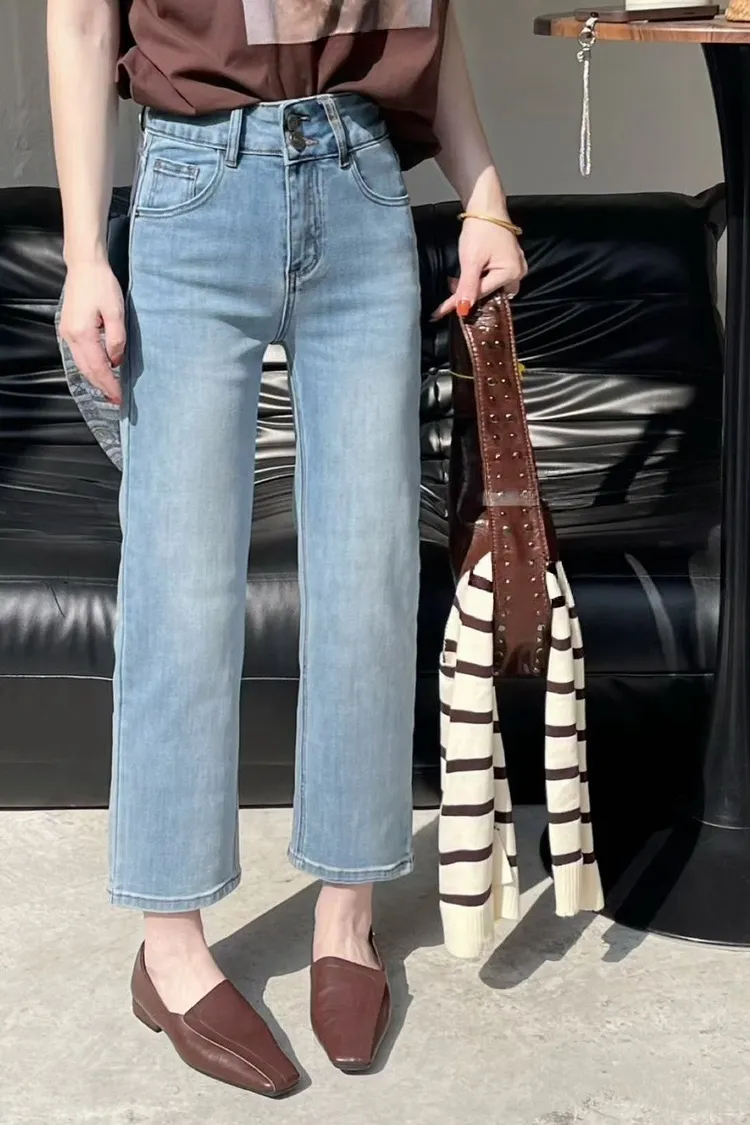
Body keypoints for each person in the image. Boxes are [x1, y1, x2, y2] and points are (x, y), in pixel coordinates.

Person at [48, 0, 527, 1097]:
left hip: (360, 182)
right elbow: (77, 22)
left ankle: (347, 913)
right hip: (193, 185)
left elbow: (431, 19)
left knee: (369, 576)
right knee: (180, 586)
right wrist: (83, 258)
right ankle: (169, 947)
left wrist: (485, 195)